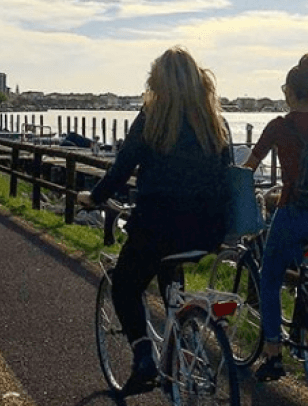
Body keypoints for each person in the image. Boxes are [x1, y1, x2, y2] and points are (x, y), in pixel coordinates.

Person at [77, 46, 230, 387]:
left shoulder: (152, 117)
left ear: (156, 81)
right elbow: (225, 174)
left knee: (126, 286)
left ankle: (144, 356)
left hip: (157, 226)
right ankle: (185, 338)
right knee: (169, 269)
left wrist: (94, 198)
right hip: (206, 231)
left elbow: (121, 170)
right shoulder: (214, 120)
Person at [242, 53, 308, 381]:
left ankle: (273, 356)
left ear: (288, 91)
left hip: (293, 213)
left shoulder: (278, 126)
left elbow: (249, 169)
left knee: (269, 279)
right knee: (304, 273)